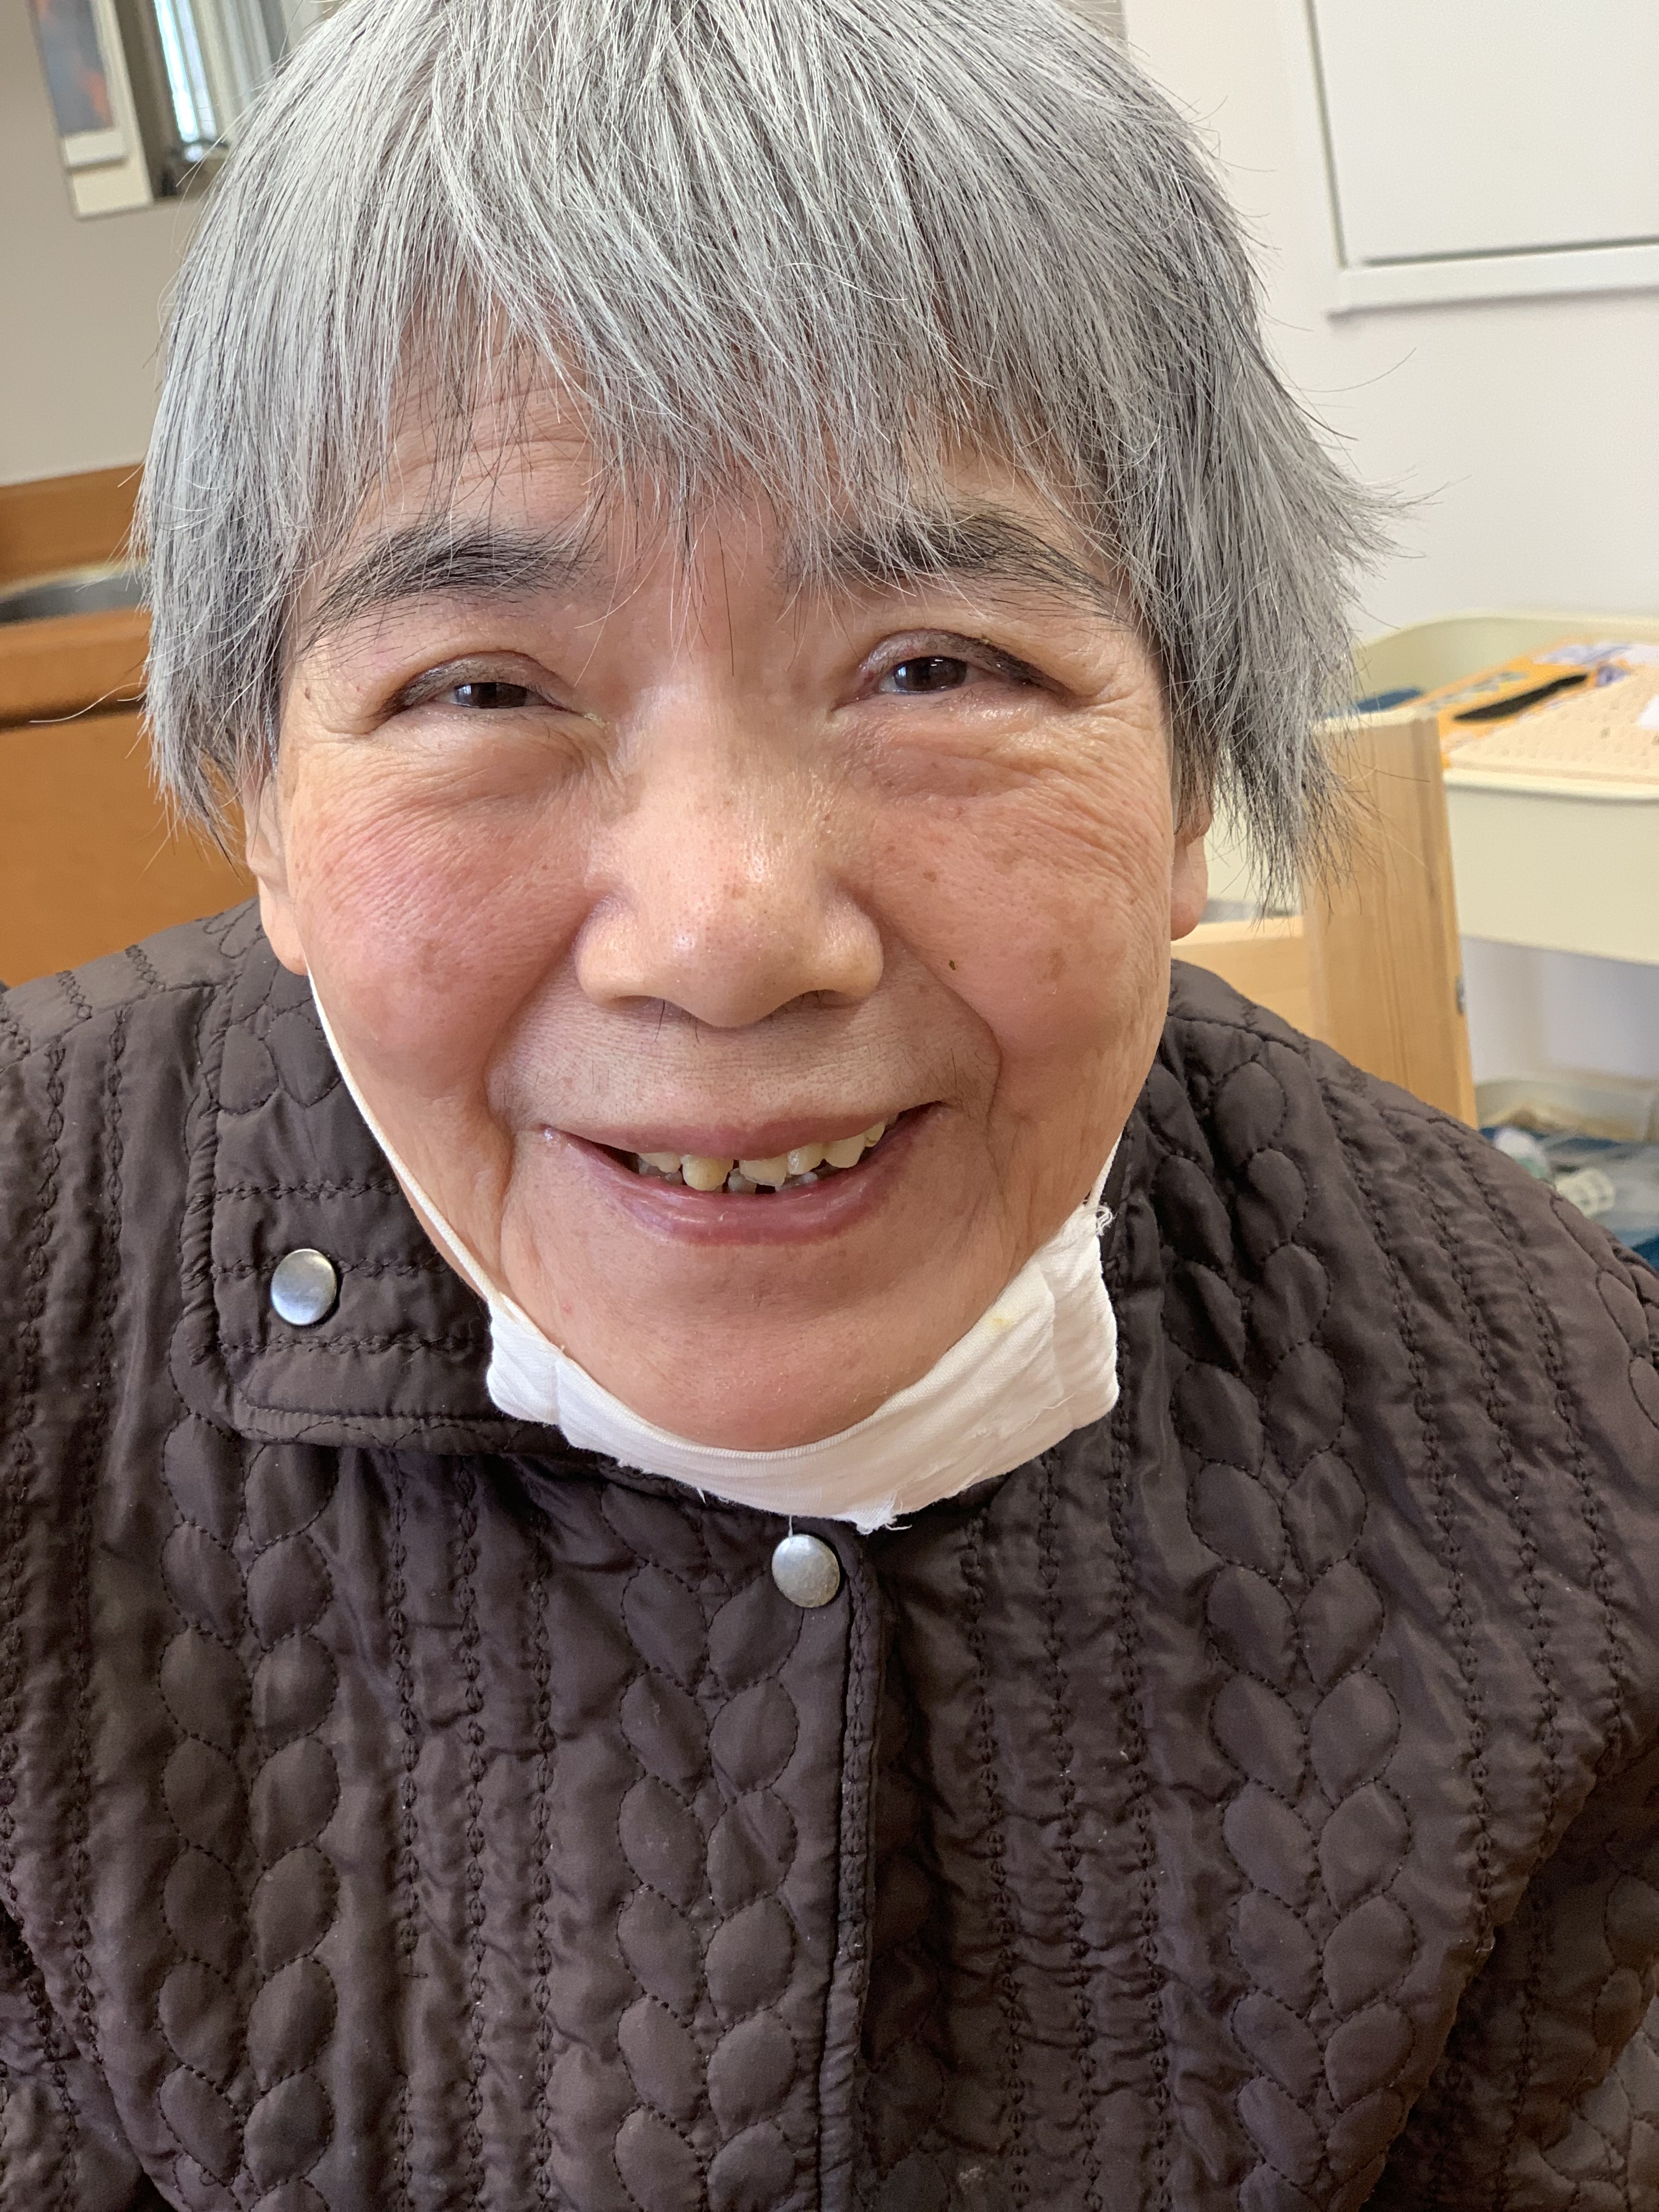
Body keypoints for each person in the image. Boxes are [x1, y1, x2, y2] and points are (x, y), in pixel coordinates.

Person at [3, 0, 1656, 2204]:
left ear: (1193, 773)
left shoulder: (1569, 1444)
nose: (722, 932)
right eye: (479, 686)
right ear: (262, 801)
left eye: (936, 666)